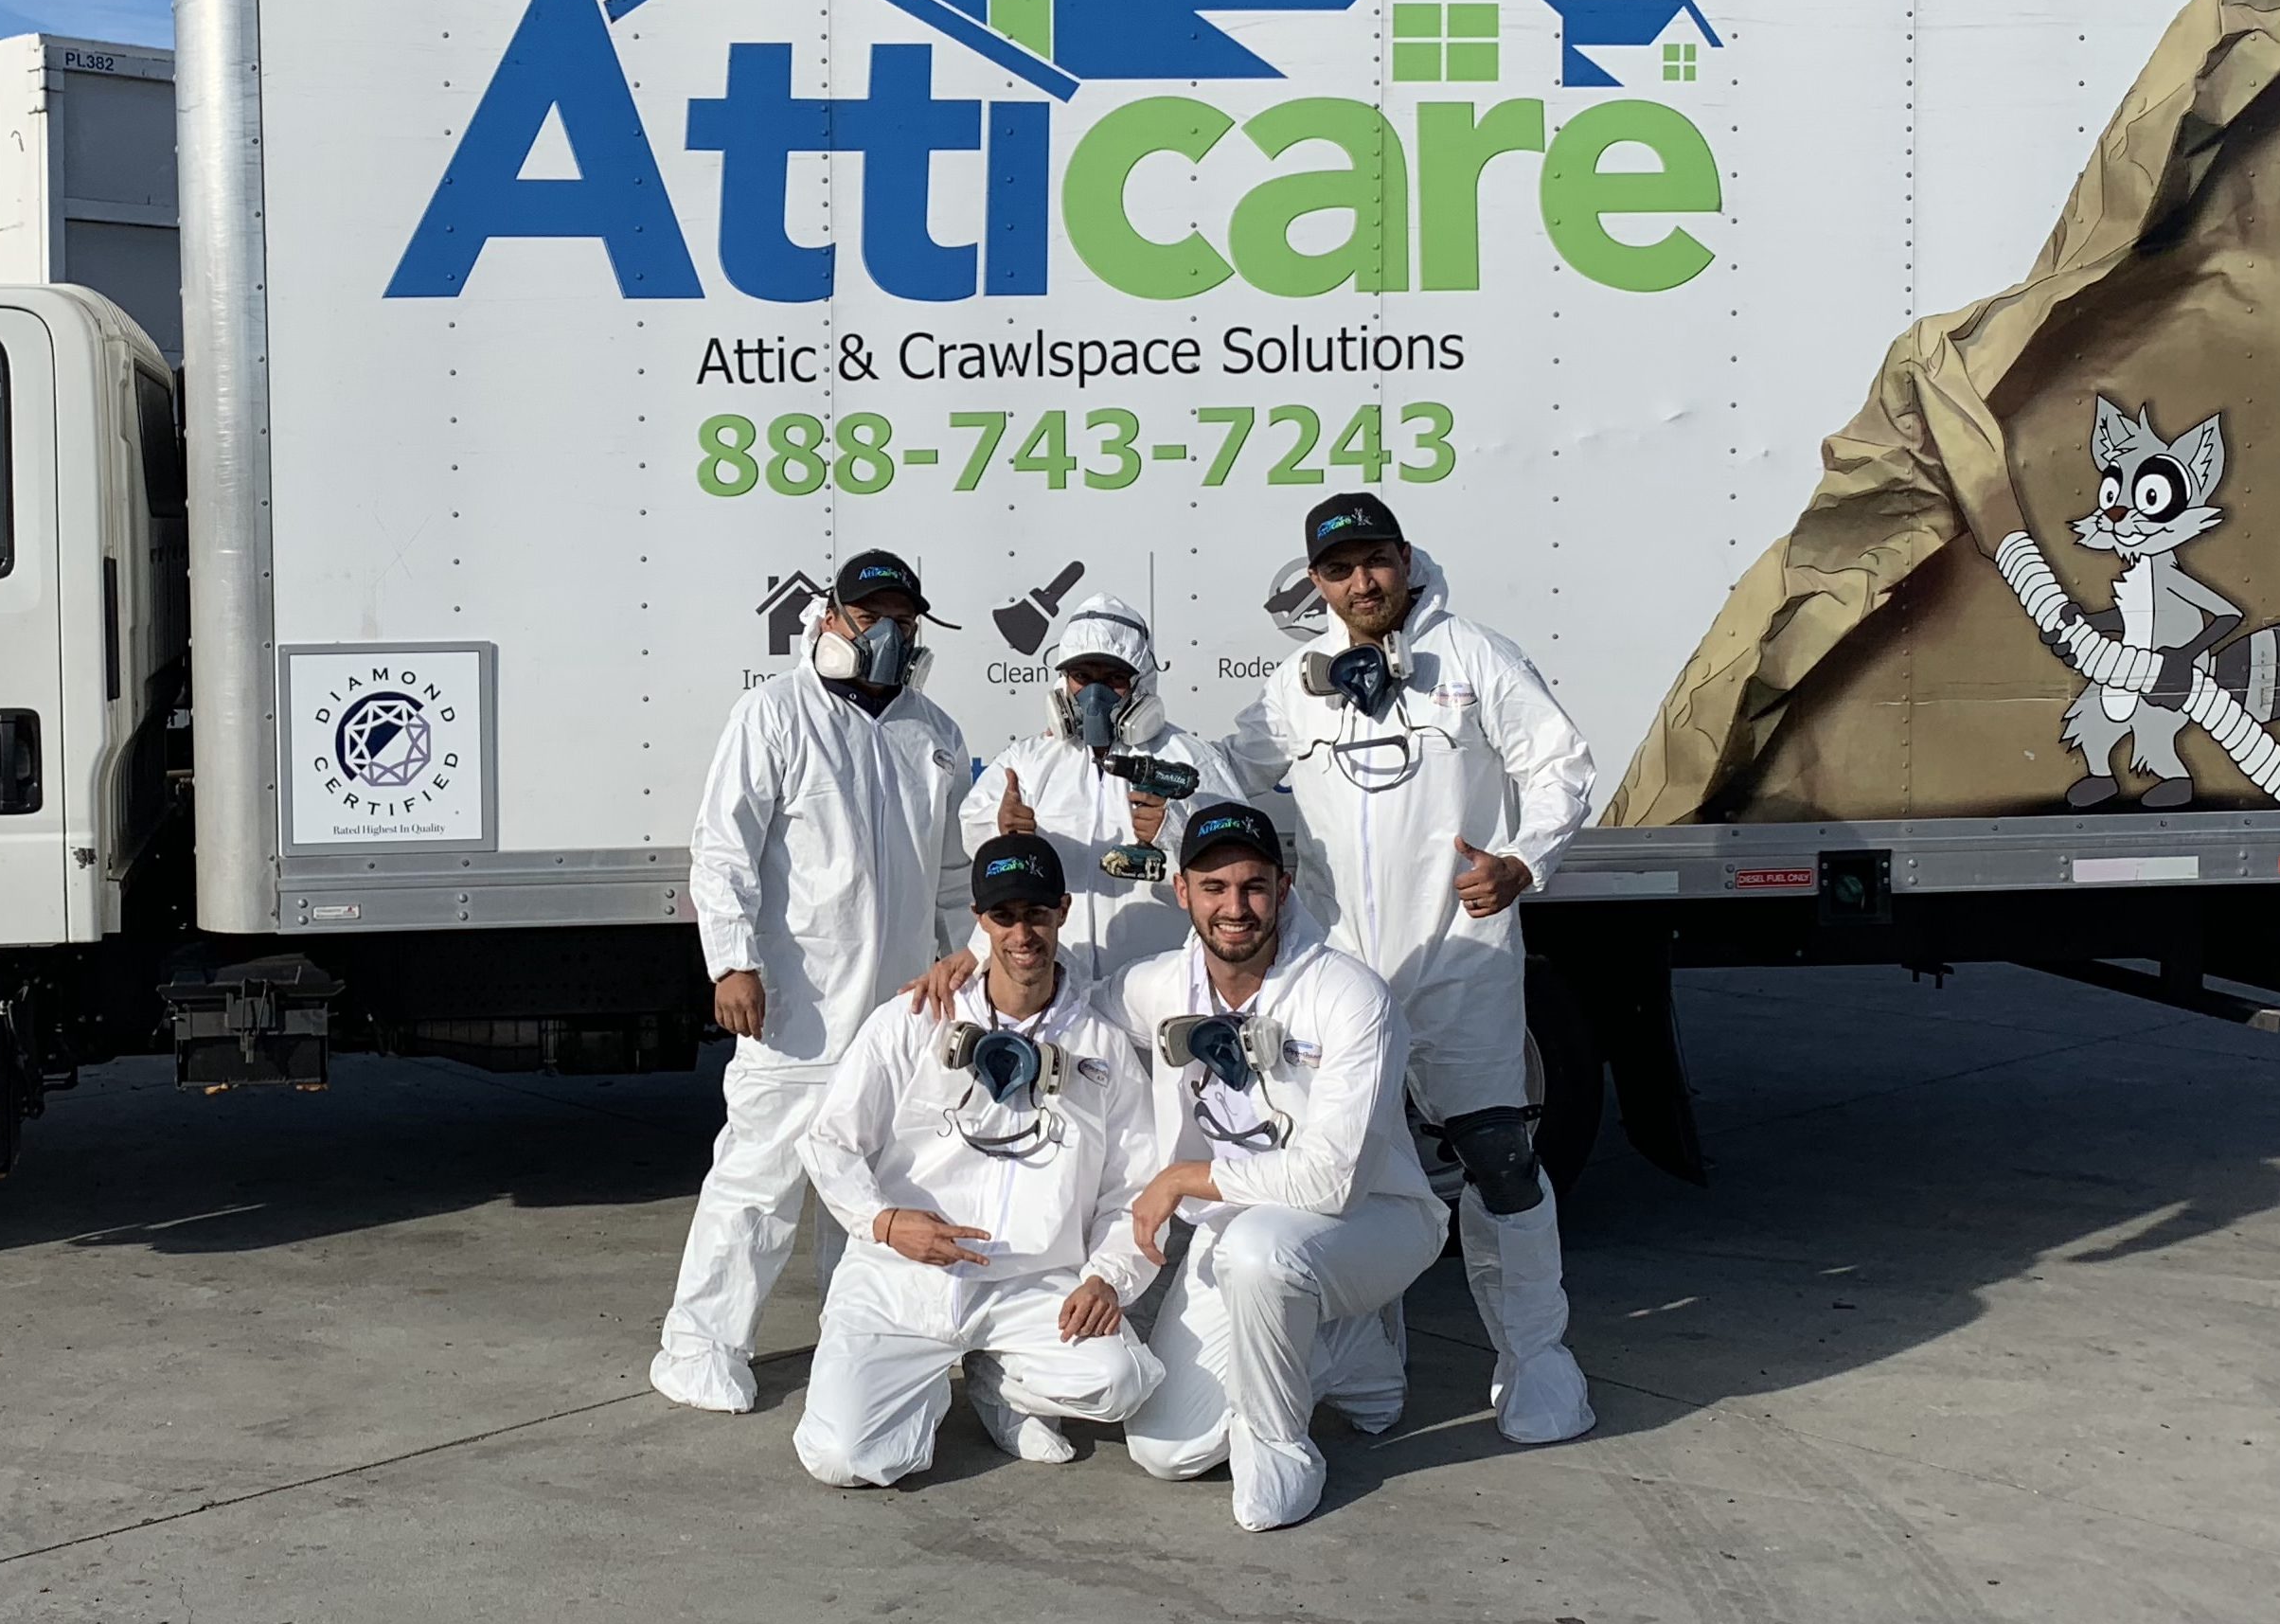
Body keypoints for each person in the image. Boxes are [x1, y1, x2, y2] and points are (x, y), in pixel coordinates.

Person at [1234, 493, 1597, 1445]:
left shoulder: (1473, 657)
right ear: (1317, 583)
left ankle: (1537, 1361)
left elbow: (1561, 761)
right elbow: (1223, 770)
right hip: (1341, 979)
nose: (1363, 584)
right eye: (1340, 569)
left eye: (1376, 561)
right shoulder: (1293, 687)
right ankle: (1361, 1356)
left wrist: (1523, 862)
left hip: (1462, 964)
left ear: (1406, 559)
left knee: (1500, 1159)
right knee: (1337, 1171)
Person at [652, 547, 973, 1415]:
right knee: (759, 1185)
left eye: (902, 621)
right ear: (829, 618)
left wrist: (965, 966)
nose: (885, 635)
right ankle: (699, 1346)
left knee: (878, 1184)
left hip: (902, 1013)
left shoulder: (933, 733)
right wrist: (733, 962)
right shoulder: (775, 714)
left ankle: (861, 1335)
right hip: (795, 1009)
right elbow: (725, 850)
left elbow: (951, 877)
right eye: (869, 617)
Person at [1113, 801, 1449, 1532]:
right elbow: (1064, 1001)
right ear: (1182, 892)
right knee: (1165, 1452)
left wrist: (1179, 1180)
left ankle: (1282, 1452)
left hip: (1373, 1222)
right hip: (1235, 1232)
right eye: (1215, 888)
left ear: (1284, 888)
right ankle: (1350, 1348)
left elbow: (1331, 1182)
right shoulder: (1156, 987)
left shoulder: (1350, 996)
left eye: (1254, 887)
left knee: (1259, 1251)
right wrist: (971, 965)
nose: (1235, 908)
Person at [793, 832, 1166, 1488]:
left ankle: (1002, 1381)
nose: (1023, 932)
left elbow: (1130, 1186)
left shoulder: (1098, 1044)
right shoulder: (915, 1018)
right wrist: (882, 1223)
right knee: (844, 1459)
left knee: (1120, 1382)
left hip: (1030, 1282)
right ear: (979, 920)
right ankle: (921, 1379)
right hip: (903, 1276)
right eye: (1004, 916)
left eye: (1037, 913)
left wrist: (1108, 1276)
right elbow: (828, 1140)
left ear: (1064, 911)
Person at [958, 594, 1253, 990]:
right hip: (1056, 988)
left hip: (1162, 984)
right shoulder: (1027, 761)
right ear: (1064, 681)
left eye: (1114, 679)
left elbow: (1243, 861)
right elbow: (970, 830)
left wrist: (1174, 831)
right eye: (1082, 677)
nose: (1094, 695)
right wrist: (1000, 826)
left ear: (1141, 682)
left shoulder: (1190, 760)